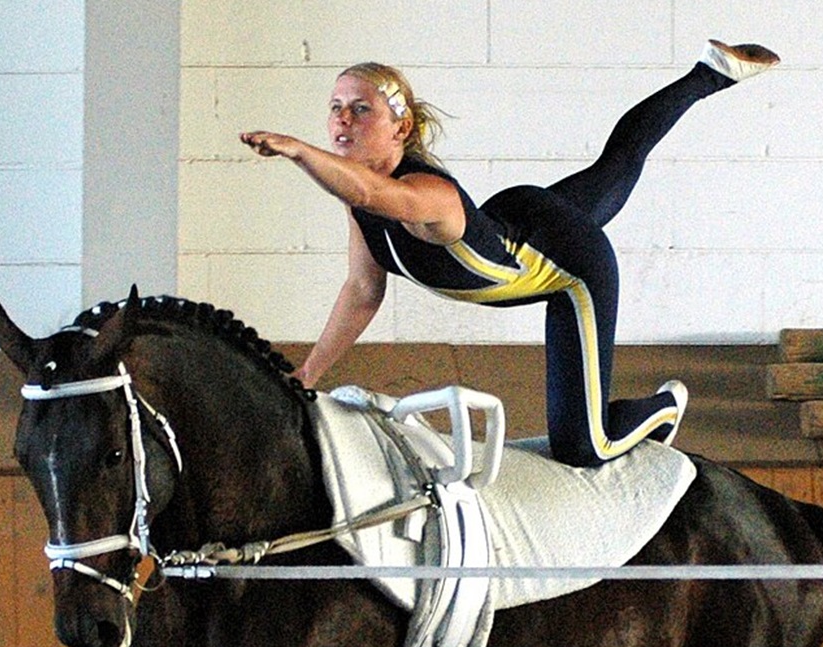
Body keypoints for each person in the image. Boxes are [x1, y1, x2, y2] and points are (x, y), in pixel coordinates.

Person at [241, 40, 779, 467]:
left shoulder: (427, 195)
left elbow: (370, 193)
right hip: (522, 220)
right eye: (336, 108)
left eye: (361, 109)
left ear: (401, 127)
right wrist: (307, 374)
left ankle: (663, 407)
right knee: (616, 165)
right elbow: (363, 290)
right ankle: (711, 73)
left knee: (584, 448)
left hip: (571, 265)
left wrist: (298, 150)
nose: (342, 120)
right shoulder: (360, 203)